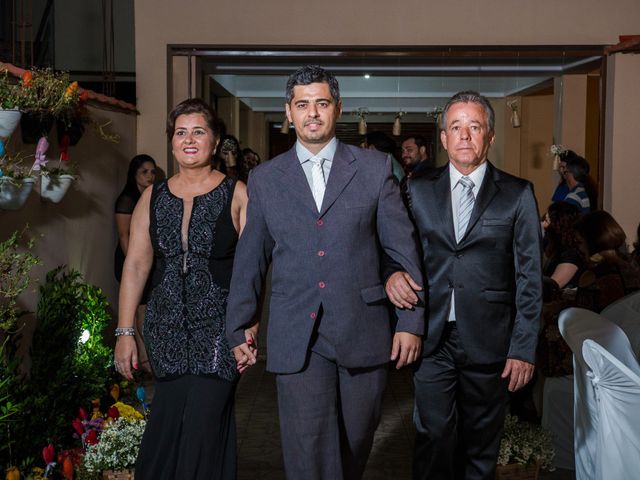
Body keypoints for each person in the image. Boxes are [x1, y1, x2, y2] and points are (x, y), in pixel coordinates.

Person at [225, 65, 424, 480]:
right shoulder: (265, 178)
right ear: (289, 112)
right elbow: (251, 258)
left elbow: (400, 248)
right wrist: (239, 324)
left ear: (337, 108)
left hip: (363, 327)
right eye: (302, 104)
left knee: (354, 445)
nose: (312, 113)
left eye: (321, 103)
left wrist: (410, 322)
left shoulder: (374, 168)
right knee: (308, 449)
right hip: (298, 333)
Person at [396, 90, 543, 480]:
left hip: (491, 340)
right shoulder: (417, 189)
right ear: (443, 138)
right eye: (455, 127)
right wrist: (391, 274)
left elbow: (530, 278)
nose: (464, 136)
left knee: (481, 446)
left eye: (474, 127)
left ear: (489, 136)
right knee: (433, 436)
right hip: (432, 337)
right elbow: (394, 250)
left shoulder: (518, 193)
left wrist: (523, 347)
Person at [114, 98, 248, 480]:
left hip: (221, 330)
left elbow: (253, 268)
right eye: (180, 132)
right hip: (164, 328)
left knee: (206, 426)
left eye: (199, 131)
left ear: (216, 140)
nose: (189, 140)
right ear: (172, 142)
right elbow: (137, 264)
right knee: (166, 425)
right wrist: (125, 332)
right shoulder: (151, 197)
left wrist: (248, 323)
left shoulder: (238, 193)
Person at [114, 154, 157, 372]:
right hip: (129, 257)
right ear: (134, 174)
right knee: (139, 311)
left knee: (144, 311)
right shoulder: (127, 198)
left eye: (152, 172)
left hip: (146, 259)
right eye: (144, 172)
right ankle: (146, 362)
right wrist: (135, 262)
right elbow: (123, 235)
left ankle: (144, 359)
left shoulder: (150, 196)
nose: (149, 176)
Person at [574, 210, 640, 313]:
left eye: (579, 242)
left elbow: (582, 319)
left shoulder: (592, 276)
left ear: (592, 242)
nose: (578, 248)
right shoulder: (631, 267)